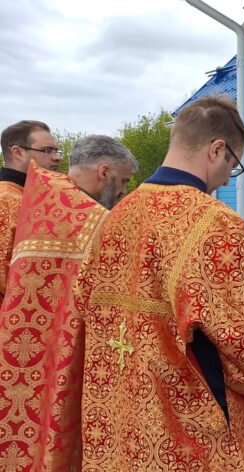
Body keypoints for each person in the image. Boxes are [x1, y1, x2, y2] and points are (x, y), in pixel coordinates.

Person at [78, 95, 244, 471]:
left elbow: (84, 306)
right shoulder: (215, 224)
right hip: (190, 425)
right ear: (216, 149)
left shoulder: (112, 218)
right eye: (233, 164)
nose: (228, 178)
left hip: (123, 415)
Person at [0, 137, 138, 470]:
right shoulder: (94, 220)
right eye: (122, 181)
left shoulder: (40, 198)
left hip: (21, 346)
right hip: (65, 351)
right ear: (104, 172)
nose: (122, 191)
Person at [0, 120, 61, 305]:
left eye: (57, 151)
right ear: (18, 152)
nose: (57, 158)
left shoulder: (34, 196)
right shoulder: (7, 200)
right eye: (47, 150)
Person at [67, 135, 138, 209]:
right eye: (123, 181)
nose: (124, 191)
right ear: (104, 173)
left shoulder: (59, 204)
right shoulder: (96, 214)